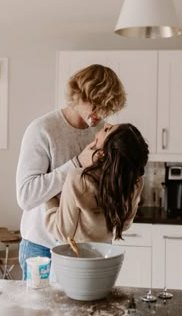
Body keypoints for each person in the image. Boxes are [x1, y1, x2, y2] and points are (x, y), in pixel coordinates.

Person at [16, 64, 126, 279]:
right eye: (94, 104)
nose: (99, 113)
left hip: (88, 246)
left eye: (106, 107)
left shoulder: (103, 132)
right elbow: (26, 197)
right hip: (42, 247)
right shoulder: (42, 130)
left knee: (87, 312)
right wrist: (77, 163)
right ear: (78, 94)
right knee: (40, 313)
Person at [45, 122, 149, 242]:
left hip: (79, 256)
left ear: (104, 152)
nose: (105, 125)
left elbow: (62, 232)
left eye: (107, 130)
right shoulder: (135, 182)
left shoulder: (78, 179)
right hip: (104, 256)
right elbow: (125, 224)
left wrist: (49, 199)